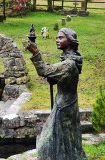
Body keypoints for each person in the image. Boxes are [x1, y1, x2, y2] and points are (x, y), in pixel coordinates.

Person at [27, 28, 87, 160]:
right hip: (67, 105)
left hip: (64, 108)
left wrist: (35, 52)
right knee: (66, 141)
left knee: (46, 142)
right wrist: (53, 77)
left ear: (70, 41)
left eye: (61, 38)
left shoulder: (69, 64)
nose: (57, 40)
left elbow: (43, 70)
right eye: (56, 37)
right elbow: (60, 75)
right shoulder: (70, 61)